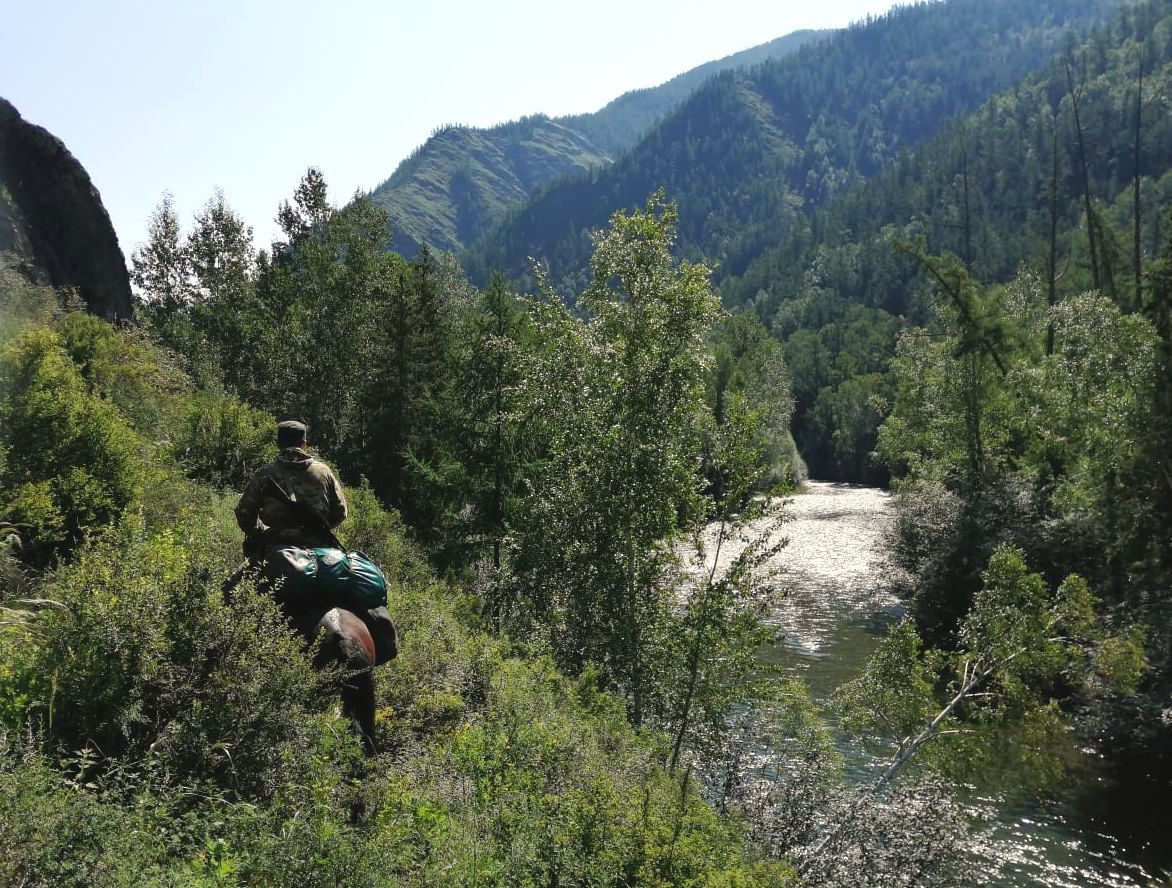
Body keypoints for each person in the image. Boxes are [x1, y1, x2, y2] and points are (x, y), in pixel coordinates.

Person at [234, 420, 347, 556]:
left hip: (275, 546)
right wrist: (318, 529)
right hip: (318, 547)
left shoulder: (264, 473)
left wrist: (261, 533)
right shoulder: (324, 472)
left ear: (278, 443)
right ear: (304, 443)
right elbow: (341, 512)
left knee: (240, 577)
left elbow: (244, 514)